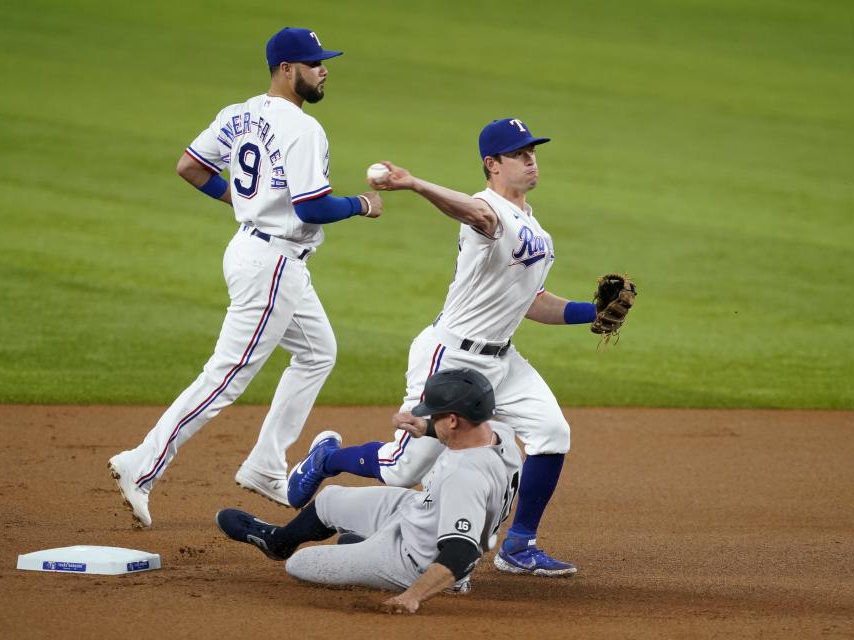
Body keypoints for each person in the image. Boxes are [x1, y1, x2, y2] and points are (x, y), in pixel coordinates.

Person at [287, 118, 601, 577]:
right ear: (492, 165)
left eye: (532, 151)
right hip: (450, 357)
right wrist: (414, 184)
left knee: (552, 432)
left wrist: (590, 312)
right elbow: (472, 212)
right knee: (402, 470)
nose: (530, 159)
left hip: (502, 361)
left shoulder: (533, 226)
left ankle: (519, 545)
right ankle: (327, 457)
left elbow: (531, 302)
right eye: (519, 154)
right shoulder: (486, 213)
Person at [108, 27, 383, 528]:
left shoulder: (238, 113)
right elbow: (312, 207)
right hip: (273, 265)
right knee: (224, 378)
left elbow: (189, 167)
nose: (324, 69)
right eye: (313, 62)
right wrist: (361, 205)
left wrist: (242, 200)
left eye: (324, 61)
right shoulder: (304, 129)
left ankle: (264, 465)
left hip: (254, 252)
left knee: (319, 351)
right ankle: (141, 465)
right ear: (285, 69)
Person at [216, 368, 522, 614]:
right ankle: (278, 542)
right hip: (421, 511)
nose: (431, 418)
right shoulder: (501, 436)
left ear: (454, 420)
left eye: (436, 415)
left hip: (414, 561)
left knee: (301, 565)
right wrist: (427, 429)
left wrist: (412, 597)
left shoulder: (464, 477)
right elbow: (462, 445)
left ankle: (372, 551)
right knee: (330, 499)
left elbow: (462, 551)